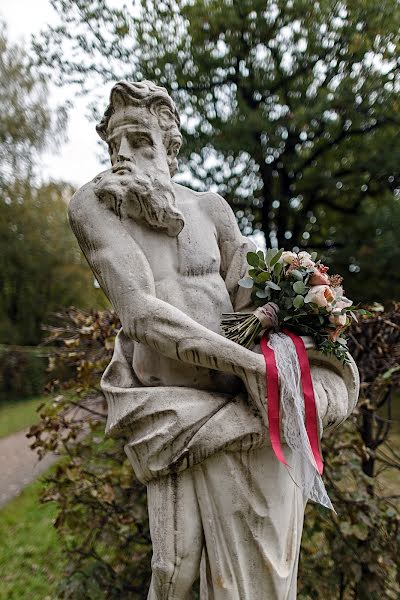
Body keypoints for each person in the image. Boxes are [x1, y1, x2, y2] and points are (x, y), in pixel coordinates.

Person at [69, 80, 359, 599]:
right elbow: (141, 315)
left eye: (139, 141)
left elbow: (248, 302)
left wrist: (298, 306)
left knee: (264, 565)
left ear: (170, 147)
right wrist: (251, 368)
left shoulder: (211, 208)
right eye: (114, 144)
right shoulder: (98, 204)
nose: (124, 156)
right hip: (172, 410)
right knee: (174, 571)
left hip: (239, 403)